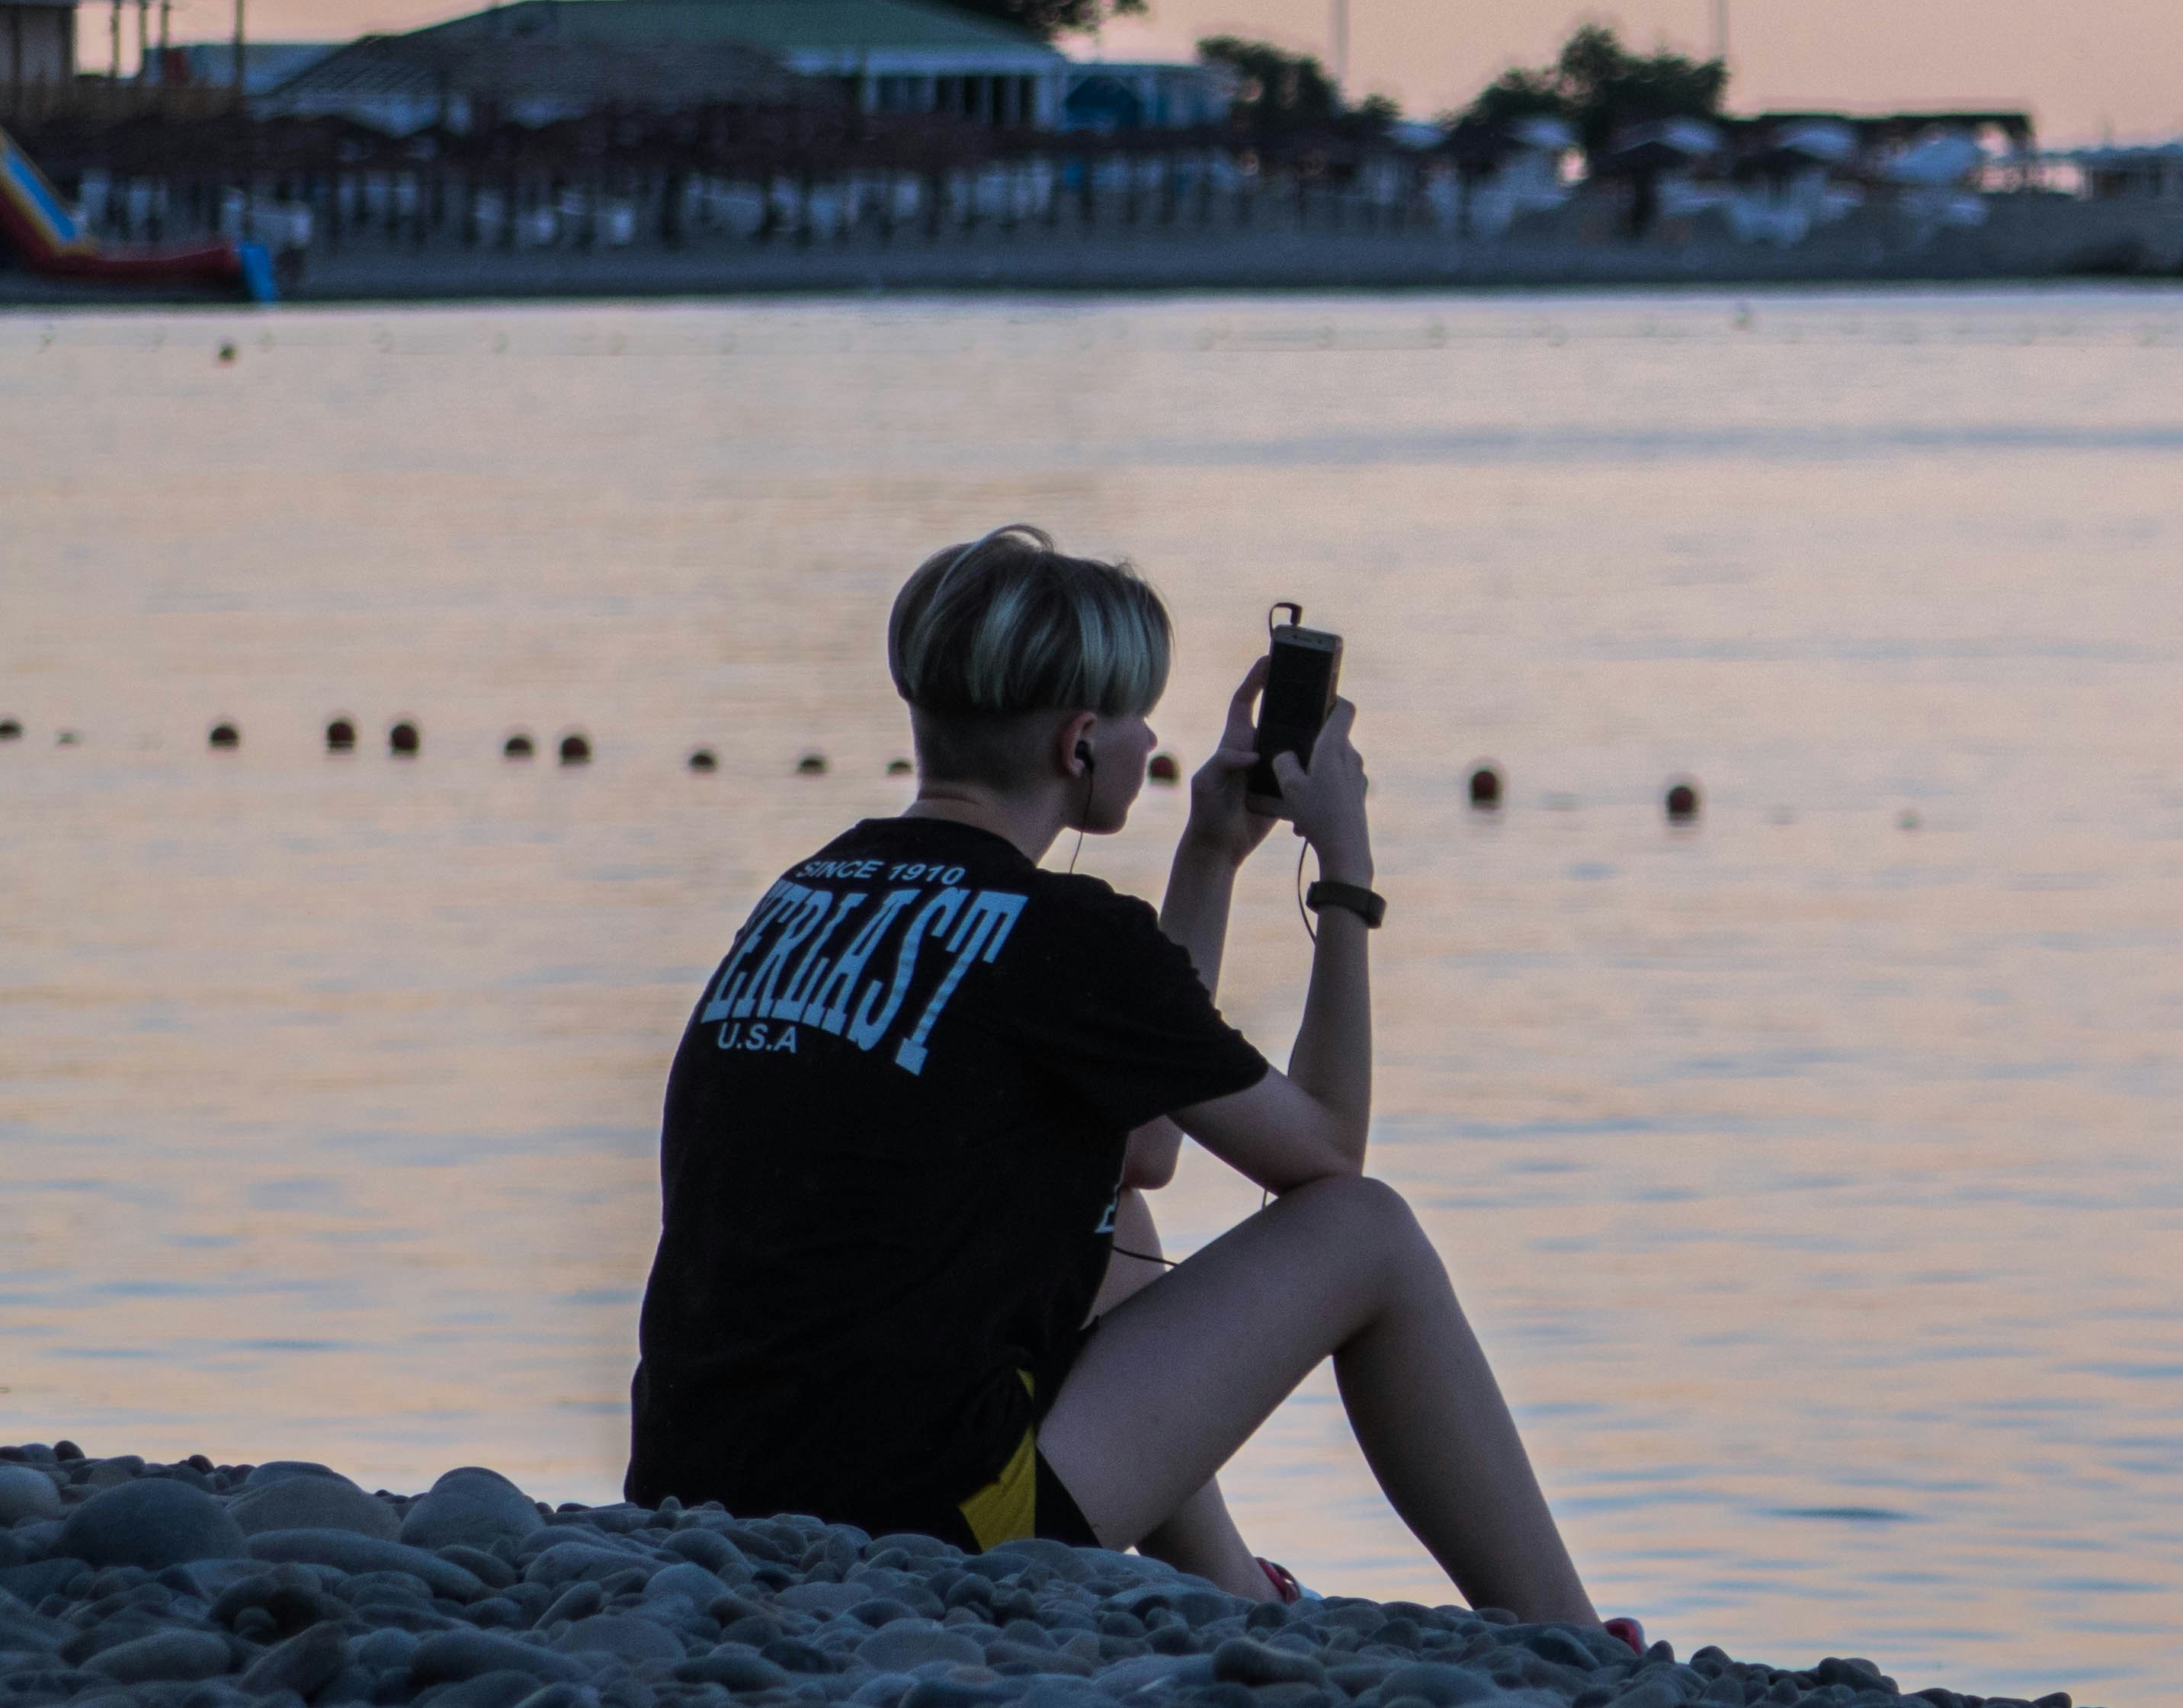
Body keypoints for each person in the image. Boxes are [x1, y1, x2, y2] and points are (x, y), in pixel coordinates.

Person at [624, 524, 1617, 1633]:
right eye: (1140, 715)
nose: (1155, 740)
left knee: (1112, 1206)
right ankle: (1566, 1632)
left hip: (693, 1494)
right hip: (917, 1530)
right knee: (1369, 1230)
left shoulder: (806, 892)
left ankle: (1230, 1590)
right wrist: (1346, 877)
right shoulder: (1060, 933)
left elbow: (1141, 1144)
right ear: (1080, 743)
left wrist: (1210, 858)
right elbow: (1328, 1154)